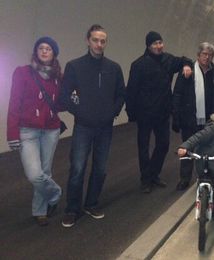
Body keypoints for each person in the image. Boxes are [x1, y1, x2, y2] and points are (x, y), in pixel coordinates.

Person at [60, 24, 125, 228]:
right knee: (78, 168)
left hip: (105, 127)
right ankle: (72, 209)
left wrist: (112, 112)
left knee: (101, 168)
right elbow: (65, 95)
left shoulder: (113, 68)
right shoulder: (74, 66)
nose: (99, 44)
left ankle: (91, 203)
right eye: (95, 40)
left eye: (103, 41)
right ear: (88, 40)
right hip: (83, 127)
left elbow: (121, 94)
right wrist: (79, 112)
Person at [126, 31, 192, 193]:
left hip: (163, 112)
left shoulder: (168, 60)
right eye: (155, 43)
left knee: (163, 145)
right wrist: (131, 113)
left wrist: (186, 65)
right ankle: (145, 179)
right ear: (148, 46)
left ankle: (153, 174)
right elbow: (131, 91)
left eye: (160, 42)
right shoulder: (138, 65)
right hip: (145, 113)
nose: (158, 46)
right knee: (144, 147)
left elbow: (185, 59)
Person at [7, 36, 63, 226]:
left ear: (54, 54)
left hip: (50, 130)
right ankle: (55, 195)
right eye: (41, 48)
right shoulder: (23, 73)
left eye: (48, 48)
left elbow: (64, 99)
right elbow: (14, 103)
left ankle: (40, 211)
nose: (44, 51)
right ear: (36, 52)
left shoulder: (58, 77)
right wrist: (12, 133)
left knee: (45, 171)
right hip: (27, 131)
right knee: (35, 174)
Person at [172, 42, 214, 191]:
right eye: (204, 54)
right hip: (190, 118)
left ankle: (204, 179)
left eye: (210, 55)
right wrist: (176, 116)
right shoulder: (187, 72)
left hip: (211, 120)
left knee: (207, 151)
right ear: (198, 55)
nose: (207, 57)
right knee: (188, 149)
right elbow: (177, 94)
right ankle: (184, 178)